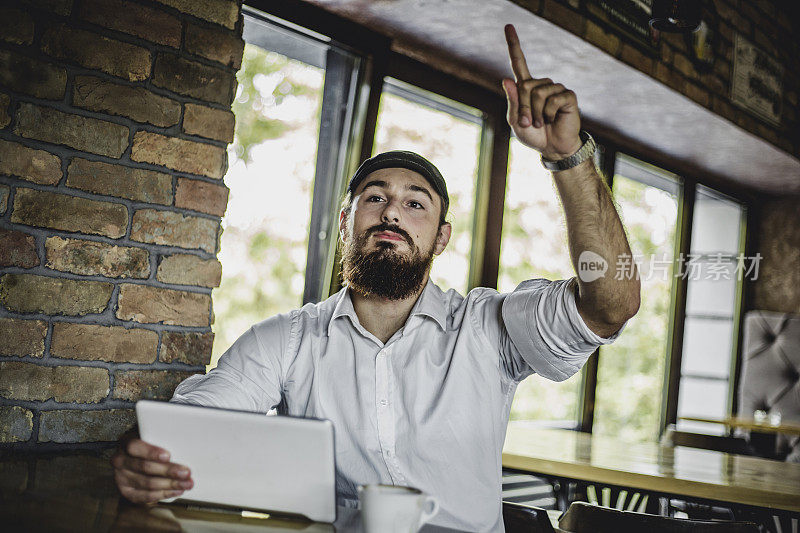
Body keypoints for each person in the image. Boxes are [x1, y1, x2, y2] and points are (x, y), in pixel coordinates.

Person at [111, 24, 640, 532]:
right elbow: (189, 428)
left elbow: (611, 303)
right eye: (375, 198)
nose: (392, 213)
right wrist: (151, 461)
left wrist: (568, 159)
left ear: (441, 238)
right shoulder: (287, 340)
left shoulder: (487, 327)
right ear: (345, 224)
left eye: (416, 204)